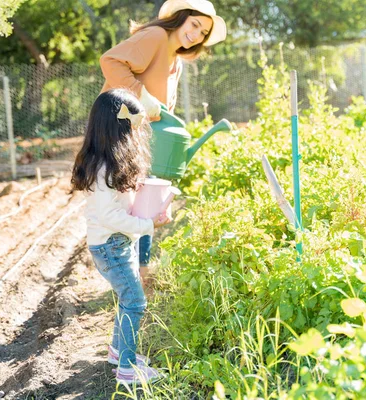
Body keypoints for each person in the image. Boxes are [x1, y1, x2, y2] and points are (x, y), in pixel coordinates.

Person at [99, 0, 227, 281]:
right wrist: (138, 94)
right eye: (195, 24)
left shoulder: (176, 62)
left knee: (146, 206)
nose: (196, 34)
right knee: (122, 210)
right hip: (117, 134)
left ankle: (141, 274)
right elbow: (110, 61)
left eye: (203, 33)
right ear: (181, 18)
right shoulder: (155, 37)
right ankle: (125, 279)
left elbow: (163, 109)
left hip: (141, 141)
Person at [71, 89, 171, 385]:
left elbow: (118, 205)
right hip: (110, 245)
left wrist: (147, 202)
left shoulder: (109, 164)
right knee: (135, 301)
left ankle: (118, 351)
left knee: (128, 298)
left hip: (116, 243)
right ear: (118, 130)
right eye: (132, 129)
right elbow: (108, 216)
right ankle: (127, 370)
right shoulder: (103, 171)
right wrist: (146, 224)